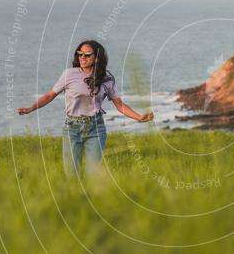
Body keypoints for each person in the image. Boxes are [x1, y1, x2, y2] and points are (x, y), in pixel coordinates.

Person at [17, 40, 153, 176]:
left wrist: (139, 117)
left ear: (97, 57)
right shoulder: (69, 74)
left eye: (87, 55)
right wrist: (30, 108)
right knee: (71, 174)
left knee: (93, 174)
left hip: (96, 128)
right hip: (72, 128)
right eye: (80, 54)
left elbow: (120, 104)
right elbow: (49, 95)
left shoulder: (107, 79)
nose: (82, 57)